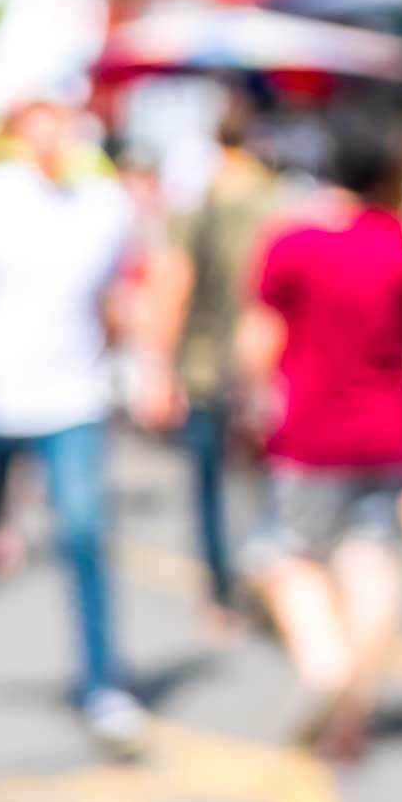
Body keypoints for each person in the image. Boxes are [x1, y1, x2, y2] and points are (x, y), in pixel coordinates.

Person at [0, 95, 148, 757]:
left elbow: (115, 295)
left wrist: (132, 359)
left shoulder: (103, 205)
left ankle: (102, 681)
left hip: (72, 396)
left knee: (84, 530)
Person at [236, 129, 402, 761]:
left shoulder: (293, 242)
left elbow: (259, 338)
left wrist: (253, 404)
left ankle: (324, 664)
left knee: (285, 553)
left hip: (312, 431)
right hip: (391, 429)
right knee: (373, 562)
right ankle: (352, 717)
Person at [134, 100, 294, 635]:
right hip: (274, 367)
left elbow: (170, 287)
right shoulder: (284, 206)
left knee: (211, 487)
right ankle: (273, 581)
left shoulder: (198, 209)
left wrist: (157, 367)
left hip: (207, 365)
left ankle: (223, 593)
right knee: (268, 485)